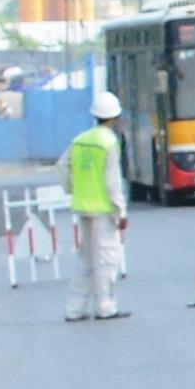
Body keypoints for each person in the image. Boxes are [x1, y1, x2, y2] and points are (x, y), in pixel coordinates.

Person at [60, 87, 128, 323]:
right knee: (107, 260)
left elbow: (62, 166)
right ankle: (105, 307)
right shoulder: (109, 142)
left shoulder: (81, 139)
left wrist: (73, 188)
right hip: (103, 210)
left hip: (82, 206)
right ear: (114, 117)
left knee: (86, 260)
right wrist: (121, 212)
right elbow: (112, 182)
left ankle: (74, 309)